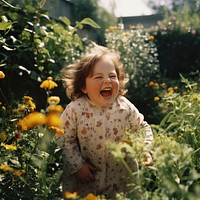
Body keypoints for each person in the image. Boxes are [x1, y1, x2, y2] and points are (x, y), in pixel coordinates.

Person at [58, 43, 153, 198]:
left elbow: (141, 128)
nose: (107, 81)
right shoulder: (75, 109)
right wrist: (78, 166)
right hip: (86, 180)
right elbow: (64, 138)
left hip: (121, 181)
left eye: (112, 76)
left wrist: (144, 149)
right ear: (83, 87)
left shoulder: (124, 106)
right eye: (99, 77)